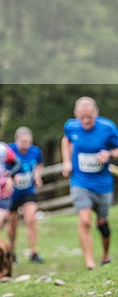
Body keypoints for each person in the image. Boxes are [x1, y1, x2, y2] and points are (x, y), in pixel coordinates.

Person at [61, 97, 118, 270]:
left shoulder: (107, 128)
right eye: (82, 117)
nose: (86, 121)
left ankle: (106, 255)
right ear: (76, 114)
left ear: (96, 113)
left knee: (102, 223)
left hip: (102, 184)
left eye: (89, 117)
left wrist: (109, 154)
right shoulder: (71, 126)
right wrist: (66, 161)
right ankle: (89, 262)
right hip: (80, 181)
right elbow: (66, 140)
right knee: (84, 220)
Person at [7, 126, 45, 263]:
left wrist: (38, 176)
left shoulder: (35, 151)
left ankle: (34, 252)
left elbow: (39, 165)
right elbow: (3, 168)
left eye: (28, 142)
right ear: (16, 140)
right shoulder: (9, 150)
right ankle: (11, 252)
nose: (25, 145)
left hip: (28, 191)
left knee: (31, 219)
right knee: (12, 224)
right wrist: (11, 177)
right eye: (23, 142)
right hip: (12, 193)